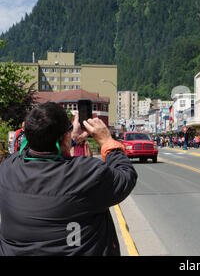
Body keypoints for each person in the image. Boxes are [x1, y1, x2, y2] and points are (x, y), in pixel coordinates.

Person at [0, 102, 137, 255]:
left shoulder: (7, 169)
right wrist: (107, 142)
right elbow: (125, 177)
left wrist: (70, 140)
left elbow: (36, 149)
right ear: (65, 137)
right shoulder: (85, 173)